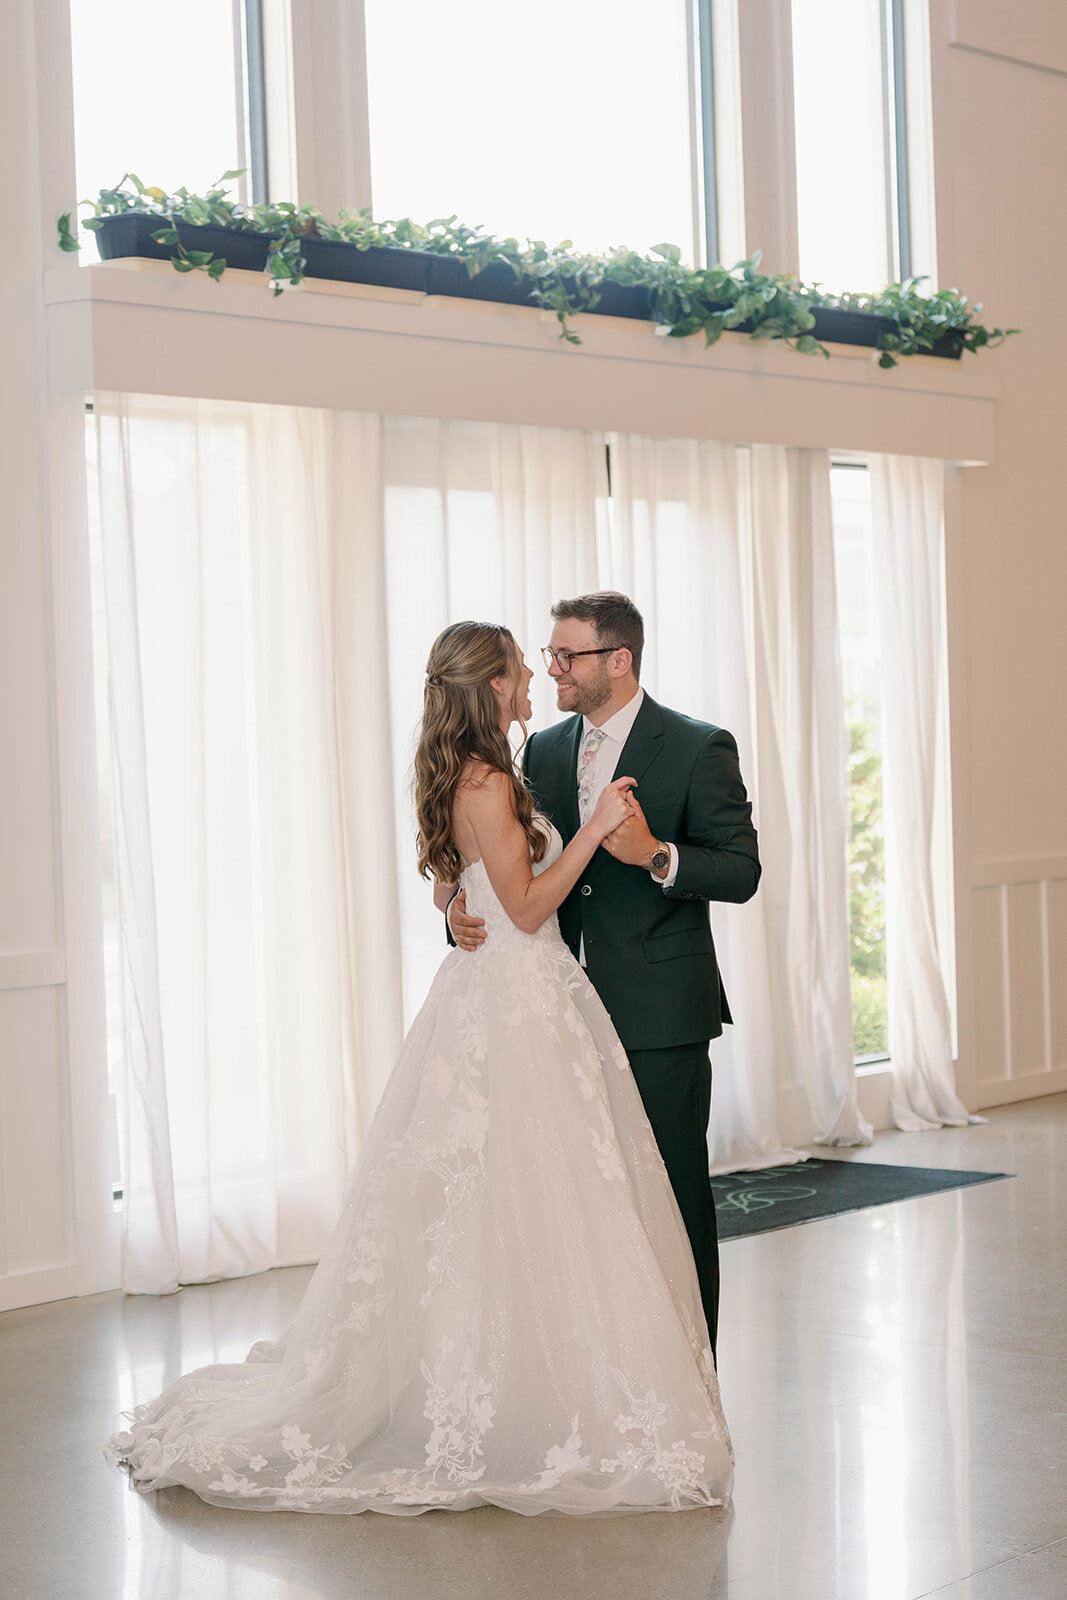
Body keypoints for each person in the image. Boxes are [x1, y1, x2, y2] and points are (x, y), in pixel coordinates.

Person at [105, 620, 733, 1516]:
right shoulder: (490, 775)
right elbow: (522, 907)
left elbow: (459, 879)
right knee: (530, 1198)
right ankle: (532, 1397)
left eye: (552, 659)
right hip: (518, 1002)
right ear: (491, 687)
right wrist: (593, 832)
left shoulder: (489, 769)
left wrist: (455, 898)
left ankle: (535, 1379)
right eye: (524, 665)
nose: (537, 675)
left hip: (523, 1002)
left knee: (520, 1203)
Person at [449, 594, 760, 1358]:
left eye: (566, 655)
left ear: (617, 660)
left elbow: (741, 870)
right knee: (579, 1205)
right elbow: (503, 866)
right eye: (548, 655)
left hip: (658, 1014)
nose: (548, 667)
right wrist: (457, 908)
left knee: (672, 1199)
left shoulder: (695, 745)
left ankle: (692, 1376)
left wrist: (657, 854)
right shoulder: (540, 750)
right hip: (550, 1011)